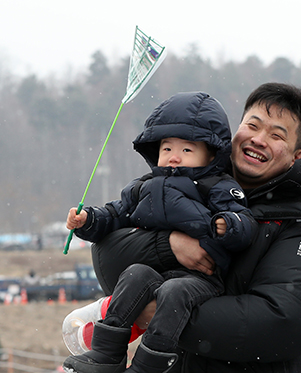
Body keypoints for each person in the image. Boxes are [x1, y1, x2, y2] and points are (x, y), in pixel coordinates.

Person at [79, 82, 301, 372]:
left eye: (276, 135)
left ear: (296, 157)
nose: (259, 139)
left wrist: (164, 313)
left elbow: (293, 319)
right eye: (253, 125)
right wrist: (168, 244)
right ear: (236, 131)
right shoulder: (189, 184)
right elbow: (109, 256)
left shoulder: (298, 223)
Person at [62, 91, 257, 373]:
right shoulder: (144, 186)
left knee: (174, 292)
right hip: (156, 270)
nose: (174, 158)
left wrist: (230, 225)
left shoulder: (218, 186)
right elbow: (117, 213)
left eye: (186, 150)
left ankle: (149, 365)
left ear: (212, 154)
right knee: (134, 274)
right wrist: (89, 220)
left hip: (202, 278)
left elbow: (245, 221)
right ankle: (106, 353)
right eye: (167, 149)